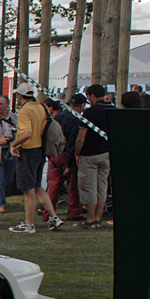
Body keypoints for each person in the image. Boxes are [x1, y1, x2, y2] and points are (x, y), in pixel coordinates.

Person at [7, 83, 63, 233]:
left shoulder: (25, 111)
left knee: (28, 190)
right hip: (40, 151)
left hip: (28, 152)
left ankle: (29, 224)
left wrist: (14, 144)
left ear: (19, 96)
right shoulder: (41, 107)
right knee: (38, 188)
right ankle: (54, 217)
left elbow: (27, 133)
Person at [76, 84, 112, 229]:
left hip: (90, 154)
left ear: (92, 96)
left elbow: (81, 137)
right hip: (107, 153)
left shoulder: (90, 113)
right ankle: (98, 217)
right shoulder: (113, 110)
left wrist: (77, 152)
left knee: (89, 187)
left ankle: (91, 218)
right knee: (102, 186)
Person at [47, 94, 86, 223]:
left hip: (55, 153)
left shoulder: (58, 117)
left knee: (53, 186)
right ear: (81, 106)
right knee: (73, 186)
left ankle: (48, 212)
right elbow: (72, 143)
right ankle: (74, 212)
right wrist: (70, 163)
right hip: (67, 154)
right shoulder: (76, 119)